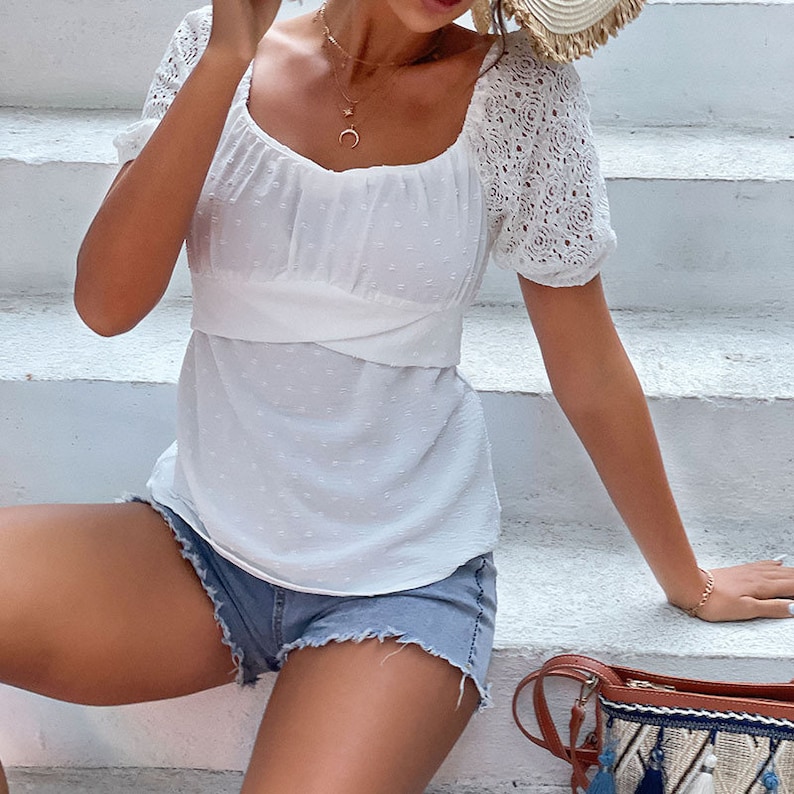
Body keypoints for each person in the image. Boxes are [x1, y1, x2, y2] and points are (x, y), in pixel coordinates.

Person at [2, 1, 793, 791]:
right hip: (203, 545)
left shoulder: (522, 92)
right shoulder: (218, 50)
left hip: (402, 582)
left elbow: (586, 366)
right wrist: (223, 60)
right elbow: (108, 304)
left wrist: (687, 579)